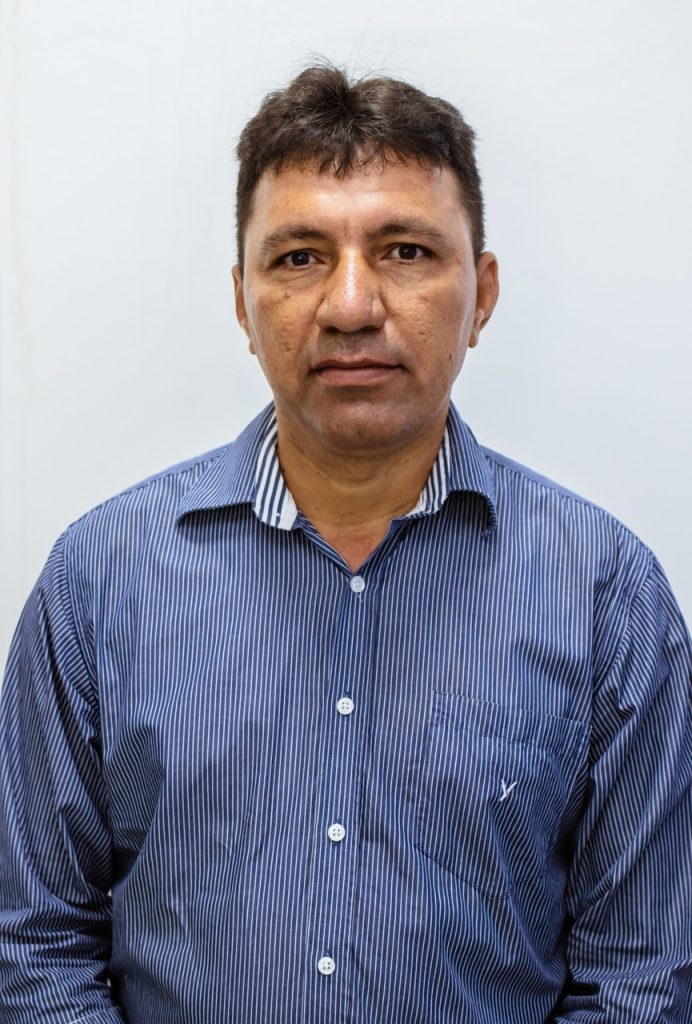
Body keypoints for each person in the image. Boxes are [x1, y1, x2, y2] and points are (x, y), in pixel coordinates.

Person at [0, 63, 690, 1024]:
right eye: (299, 257)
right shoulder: (98, 582)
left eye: (406, 251)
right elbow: (34, 947)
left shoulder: (608, 595)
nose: (352, 305)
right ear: (242, 301)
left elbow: (639, 981)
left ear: (483, 294)